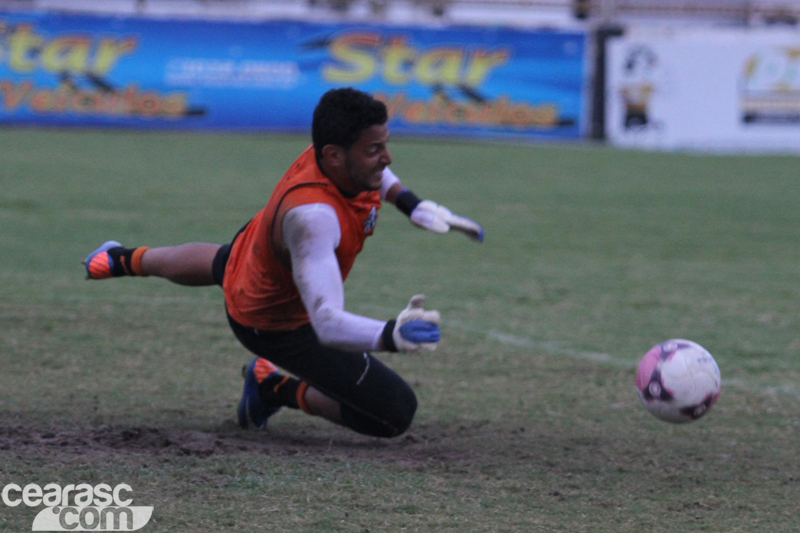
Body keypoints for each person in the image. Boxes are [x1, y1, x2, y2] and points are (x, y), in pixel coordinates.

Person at [84, 87, 483, 439]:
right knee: (394, 413)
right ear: (334, 156)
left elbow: (377, 163)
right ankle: (271, 386)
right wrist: (391, 335)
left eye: (385, 144)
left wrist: (410, 203)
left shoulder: (331, 150)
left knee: (226, 260)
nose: (386, 158)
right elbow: (327, 323)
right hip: (275, 323)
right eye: (374, 150)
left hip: (257, 250)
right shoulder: (314, 219)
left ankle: (119, 258)